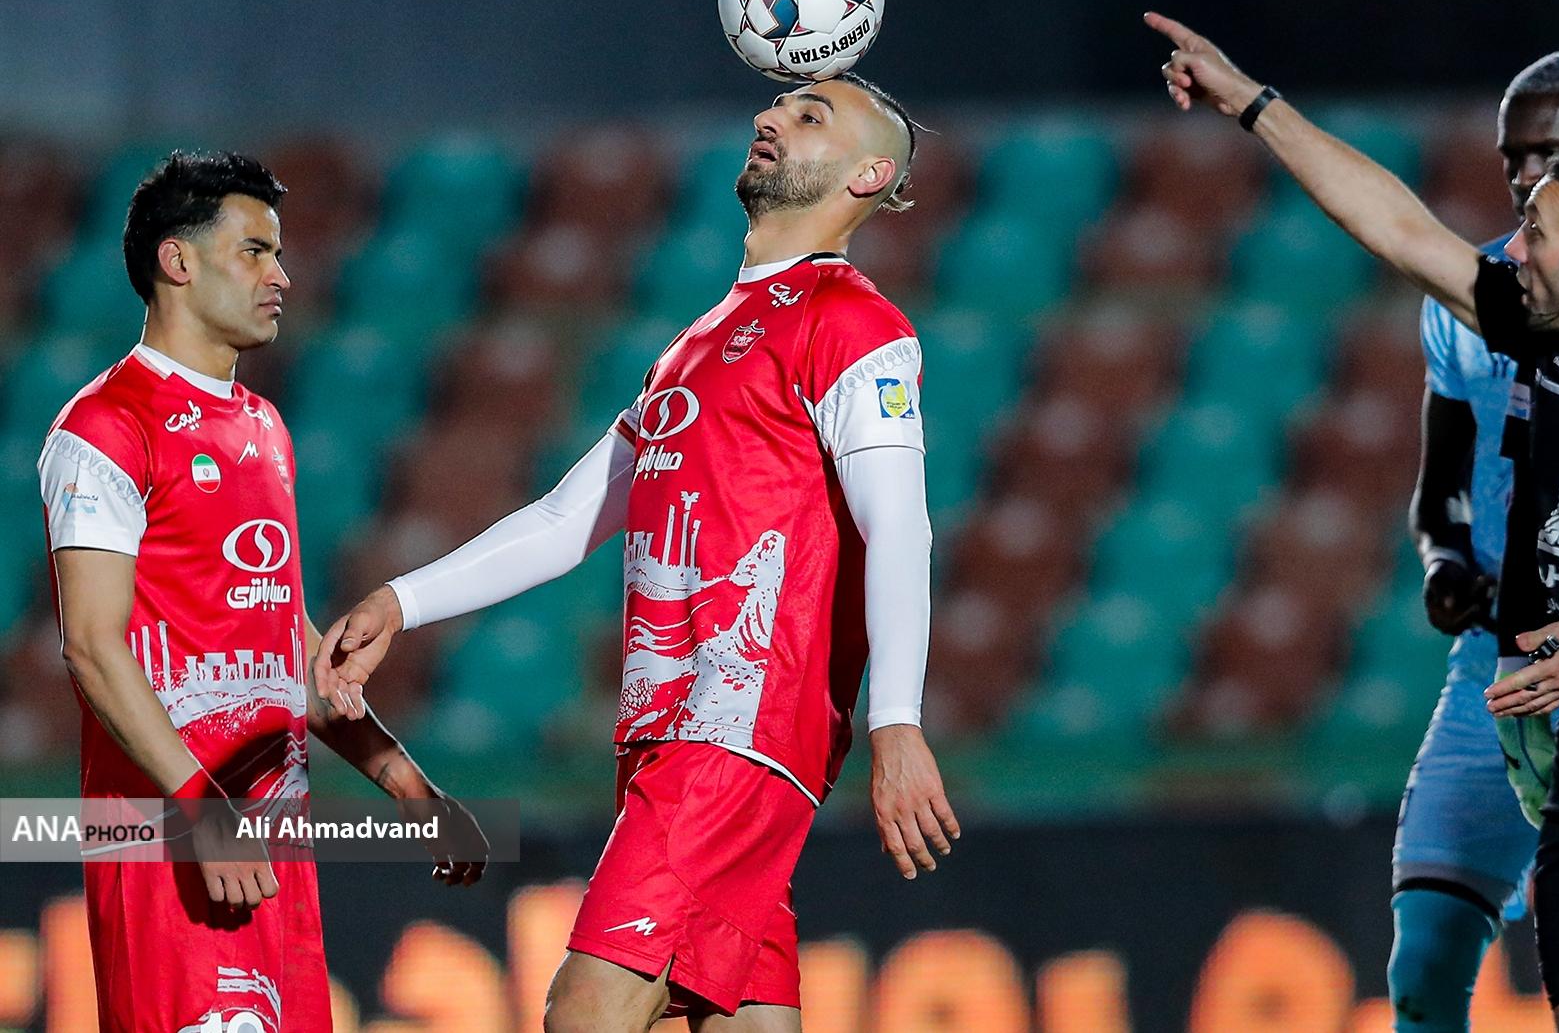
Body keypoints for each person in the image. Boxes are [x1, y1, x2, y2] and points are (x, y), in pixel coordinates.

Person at [1148, 12, 1559, 1033]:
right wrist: (1250, 103)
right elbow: (1396, 228)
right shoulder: (1534, 335)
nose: (1512, 241)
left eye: (1536, 225)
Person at [314, 74, 957, 1033]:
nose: (770, 116)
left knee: (587, 1012)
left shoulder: (852, 322)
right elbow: (565, 518)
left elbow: (899, 524)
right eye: (778, 105)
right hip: (672, 735)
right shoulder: (695, 345)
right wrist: (401, 601)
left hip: (735, 732)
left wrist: (896, 721)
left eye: (809, 114)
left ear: (867, 175)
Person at [39, 151, 485, 1033]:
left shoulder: (264, 427)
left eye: (278, 253)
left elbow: (281, 641)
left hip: (274, 853)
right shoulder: (104, 426)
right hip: (172, 850)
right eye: (255, 251)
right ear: (177, 259)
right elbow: (92, 645)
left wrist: (403, 779)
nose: (281, 276)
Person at [1393, 51, 1559, 1031]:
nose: (1526, 176)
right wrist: (1445, 561)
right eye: (1512, 157)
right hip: (1496, 670)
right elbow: (1441, 488)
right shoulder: (1470, 297)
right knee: (1424, 959)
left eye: (1552, 154)